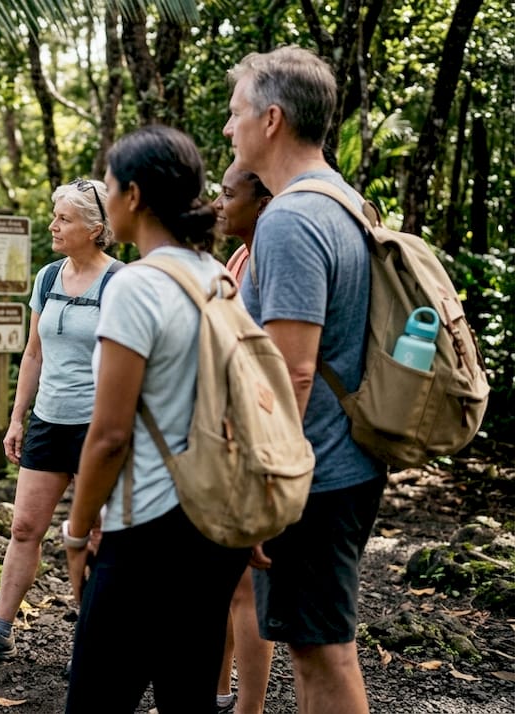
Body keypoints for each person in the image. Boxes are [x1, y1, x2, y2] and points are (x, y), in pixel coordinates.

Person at [61, 125, 249, 712]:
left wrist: (76, 530)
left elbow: (110, 435)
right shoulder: (217, 277)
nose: (107, 198)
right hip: (215, 524)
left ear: (135, 196)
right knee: (187, 698)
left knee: (95, 700)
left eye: (111, 186)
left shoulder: (136, 286)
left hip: (147, 530)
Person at [223, 46, 387, 714]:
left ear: (271, 119)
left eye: (235, 115)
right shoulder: (344, 199)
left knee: (324, 656)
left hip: (313, 475)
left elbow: (289, 369)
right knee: (319, 649)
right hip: (344, 460)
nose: (228, 130)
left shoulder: (290, 219)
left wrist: (267, 490)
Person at [0, 178, 116, 665]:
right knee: (24, 527)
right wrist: (17, 418)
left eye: (63, 218)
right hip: (49, 420)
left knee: (97, 538)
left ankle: (95, 642)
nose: (53, 225)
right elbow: (34, 355)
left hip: (97, 428)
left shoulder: (120, 281)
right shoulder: (46, 278)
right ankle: (0, 630)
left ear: (95, 228)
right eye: (54, 215)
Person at [211, 163, 275, 714]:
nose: (218, 202)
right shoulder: (238, 257)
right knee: (225, 585)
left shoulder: (272, 259)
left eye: (229, 194)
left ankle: (249, 707)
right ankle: (219, 690)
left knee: (247, 587)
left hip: (258, 444)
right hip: (228, 440)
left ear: (262, 201)